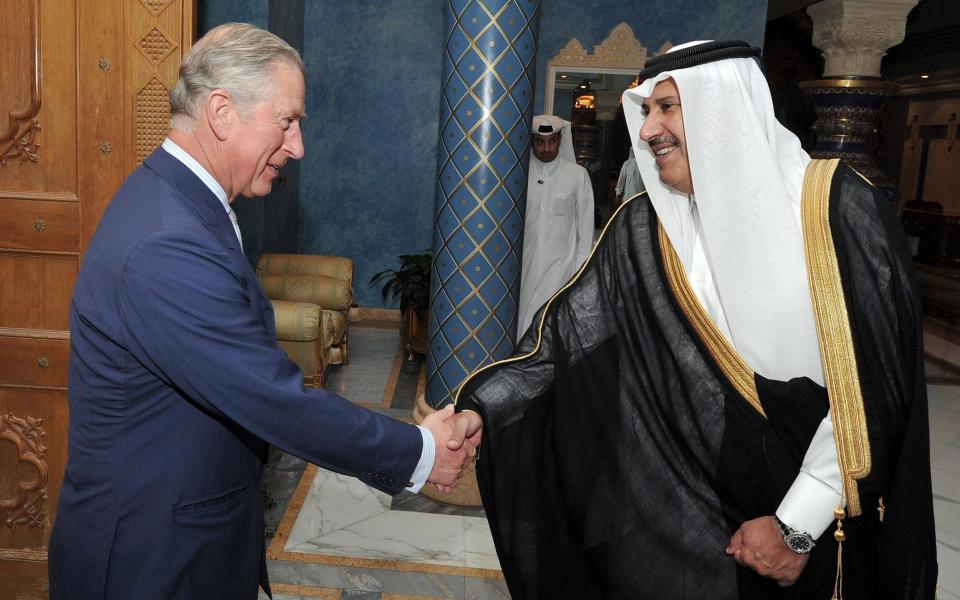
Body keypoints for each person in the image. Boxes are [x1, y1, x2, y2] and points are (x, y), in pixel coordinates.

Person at [454, 40, 936, 599]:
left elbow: (875, 389)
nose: (650, 127)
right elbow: (560, 344)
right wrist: (482, 410)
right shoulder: (646, 228)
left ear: (723, 107)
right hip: (694, 502)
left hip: (821, 517)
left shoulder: (838, 208)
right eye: (646, 110)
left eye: (668, 107)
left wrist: (796, 526)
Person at [48, 23, 479, 599]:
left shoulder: (182, 204)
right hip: (150, 560)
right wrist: (421, 454)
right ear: (223, 113)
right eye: (288, 120)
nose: (298, 146)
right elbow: (271, 398)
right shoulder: (166, 241)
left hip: (190, 540)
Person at [517, 114, 594, 336]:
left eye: (552, 141)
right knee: (523, 318)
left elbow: (586, 226)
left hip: (562, 267)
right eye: (540, 142)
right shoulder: (521, 174)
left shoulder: (577, 175)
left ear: (560, 140)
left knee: (548, 323)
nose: (547, 148)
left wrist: (579, 270)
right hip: (526, 264)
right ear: (532, 142)